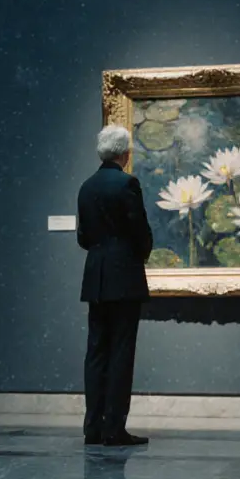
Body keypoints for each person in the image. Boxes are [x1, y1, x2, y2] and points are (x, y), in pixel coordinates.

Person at [76, 124, 153, 447]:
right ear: (125, 153)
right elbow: (141, 233)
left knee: (96, 351)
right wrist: (138, 254)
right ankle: (114, 427)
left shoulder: (86, 186)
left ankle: (92, 425)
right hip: (124, 276)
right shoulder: (127, 184)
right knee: (121, 352)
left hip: (96, 275)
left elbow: (83, 238)